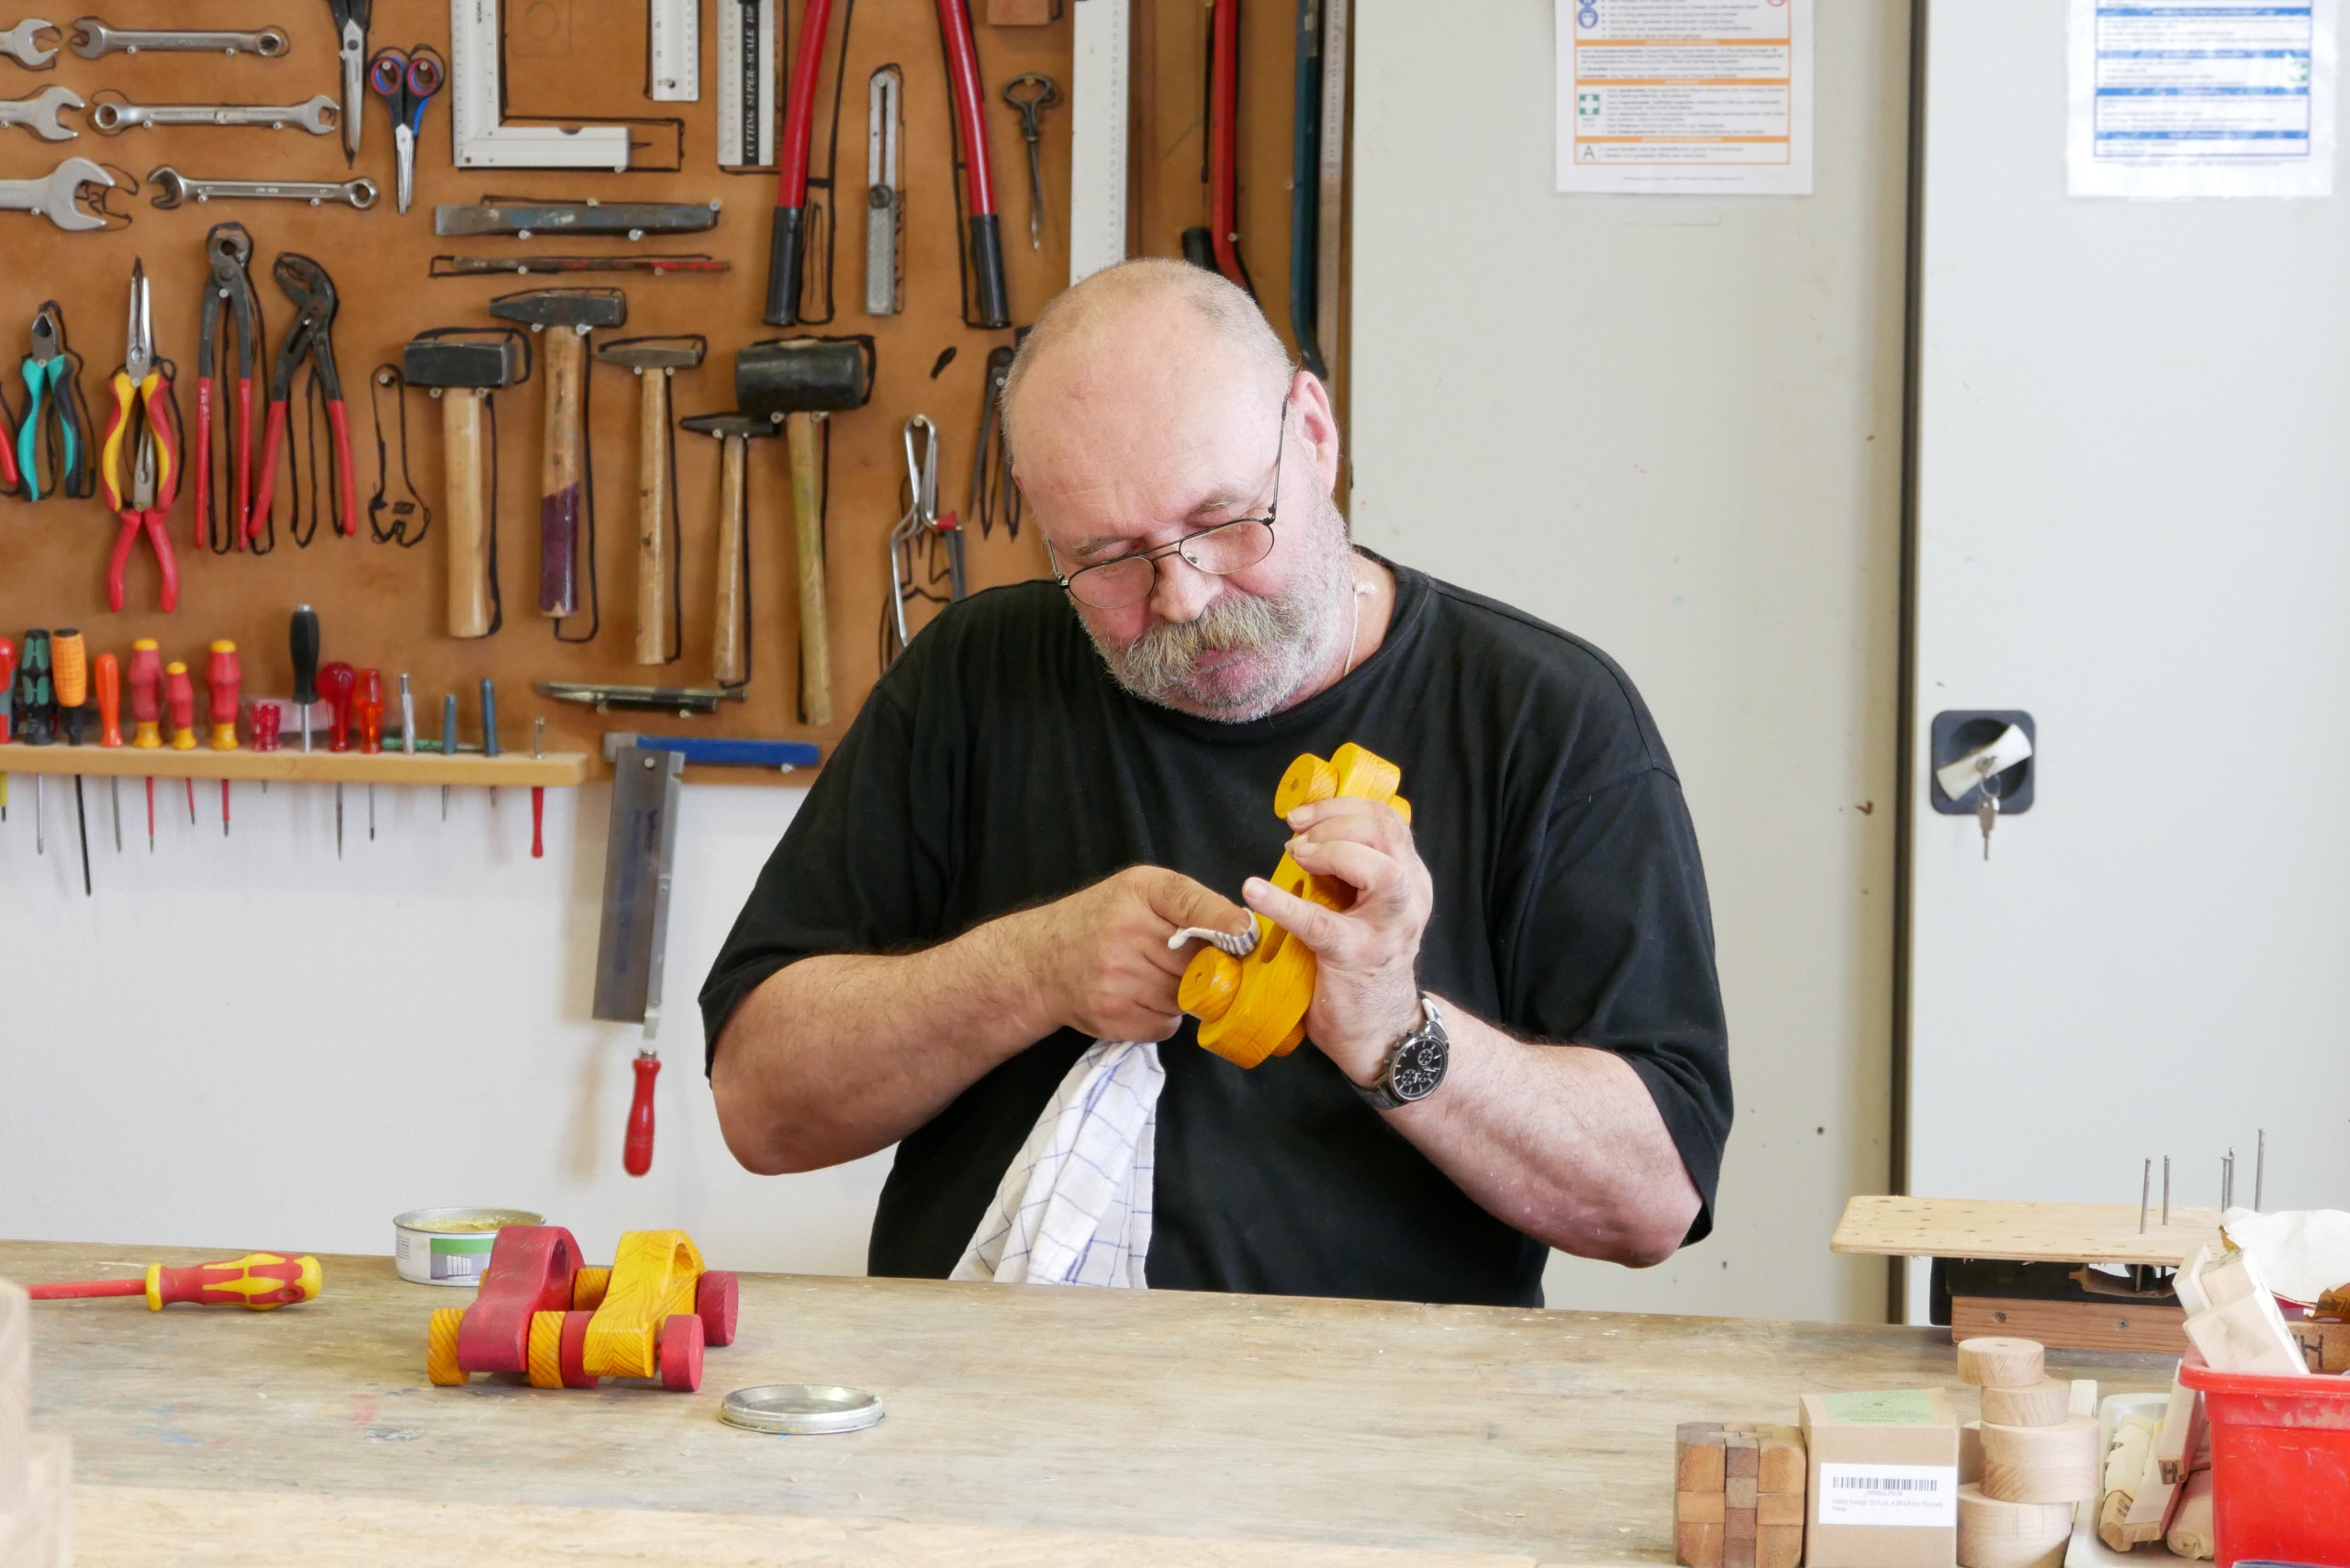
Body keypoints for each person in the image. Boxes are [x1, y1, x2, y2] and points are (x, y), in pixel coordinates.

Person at [700, 259, 1729, 1307]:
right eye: (1107, 558)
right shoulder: (976, 679)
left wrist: (1394, 1032)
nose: (1182, 597)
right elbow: (759, 1105)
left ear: (1314, 436)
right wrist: (1029, 969)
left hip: (1383, 1435)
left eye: (1226, 520)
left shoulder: (1544, 718)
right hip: (1001, 1414)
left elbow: (1651, 1200)